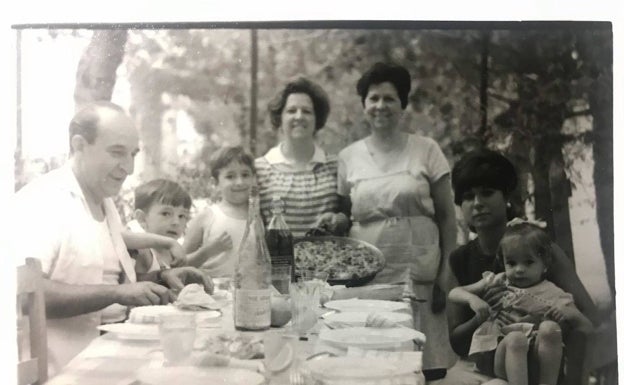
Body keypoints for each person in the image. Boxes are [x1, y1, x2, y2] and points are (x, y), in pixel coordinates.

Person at [10, 101, 213, 374]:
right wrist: (118, 292)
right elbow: (20, 295)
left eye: (133, 154)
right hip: (61, 369)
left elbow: (105, 286)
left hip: (110, 354)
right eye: (117, 153)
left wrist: (161, 279)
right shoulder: (43, 201)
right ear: (79, 145)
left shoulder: (103, 202)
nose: (128, 168)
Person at [336, 62, 458, 380]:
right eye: (373, 98)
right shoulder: (348, 157)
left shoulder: (427, 150)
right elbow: (342, 216)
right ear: (364, 105)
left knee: (427, 369)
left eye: (390, 98)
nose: (381, 106)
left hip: (420, 271)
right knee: (375, 366)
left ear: (402, 104)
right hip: (369, 277)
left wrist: (445, 274)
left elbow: (448, 216)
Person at [442, 149, 599, 385]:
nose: (477, 203)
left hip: (543, 360)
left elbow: (588, 317)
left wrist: (545, 317)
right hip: (485, 363)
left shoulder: (537, 246)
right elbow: (457, 343)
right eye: (467, 196)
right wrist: (482, 315)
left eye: (487, 193)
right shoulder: (460, 259)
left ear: (505, 197)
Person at [449, 222, 593, 385]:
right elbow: (454, 293)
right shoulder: (498, 281)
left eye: (528, 262)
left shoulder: (554, 294)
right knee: (516, 339)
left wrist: (569, 313)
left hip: (535, 361)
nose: (519, 269)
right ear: (503, 263)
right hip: (498, 357)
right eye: (511, 263)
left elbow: (587, 328)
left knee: (550, 329)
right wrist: (474, 300)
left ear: (544, 265)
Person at [255, 76, 349, 237]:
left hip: (326, 260)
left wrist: (339, 219)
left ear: (316, 118)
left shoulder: (335, 165)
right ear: (280, 118)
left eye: (306, 111)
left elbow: (349, 216)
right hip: (277, 261)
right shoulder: (260, 168)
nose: (299, 116)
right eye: (291, 111)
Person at [184, 146, 254, 277]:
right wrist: (207, 251)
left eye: (245, 175)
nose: (239, 182)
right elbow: (180, 263)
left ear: (253, 178)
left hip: (251, 292)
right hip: (214, 293)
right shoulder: (207, 216)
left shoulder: (259, 216)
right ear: (215, 182)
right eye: (230, 176)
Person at [126, 178, 193, 273]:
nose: (176, 222)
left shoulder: (173, 253)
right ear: (142, 218)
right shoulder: (142, 252)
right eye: (166, 214)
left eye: (182, 216)